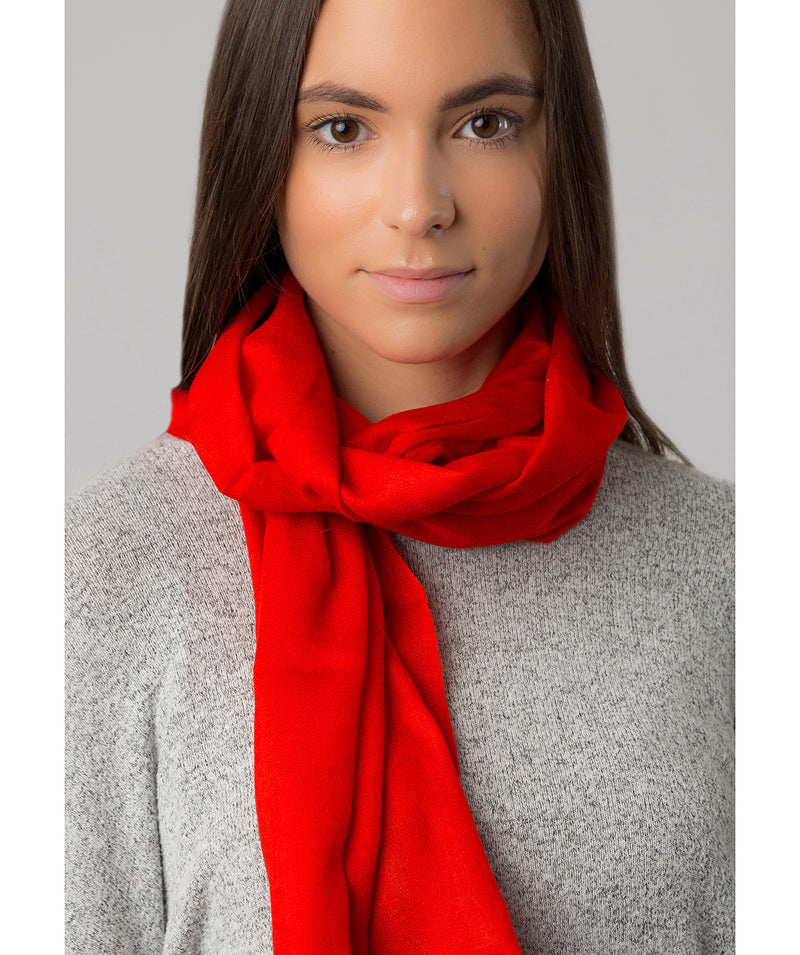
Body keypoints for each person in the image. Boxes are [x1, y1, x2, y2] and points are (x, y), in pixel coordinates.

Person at [65, 0, 734, 952]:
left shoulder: (731, 569)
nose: (420, 205)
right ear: (262, 155)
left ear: (562, 150)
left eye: (485, 123)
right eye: (343, 129)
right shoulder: (103, 574)